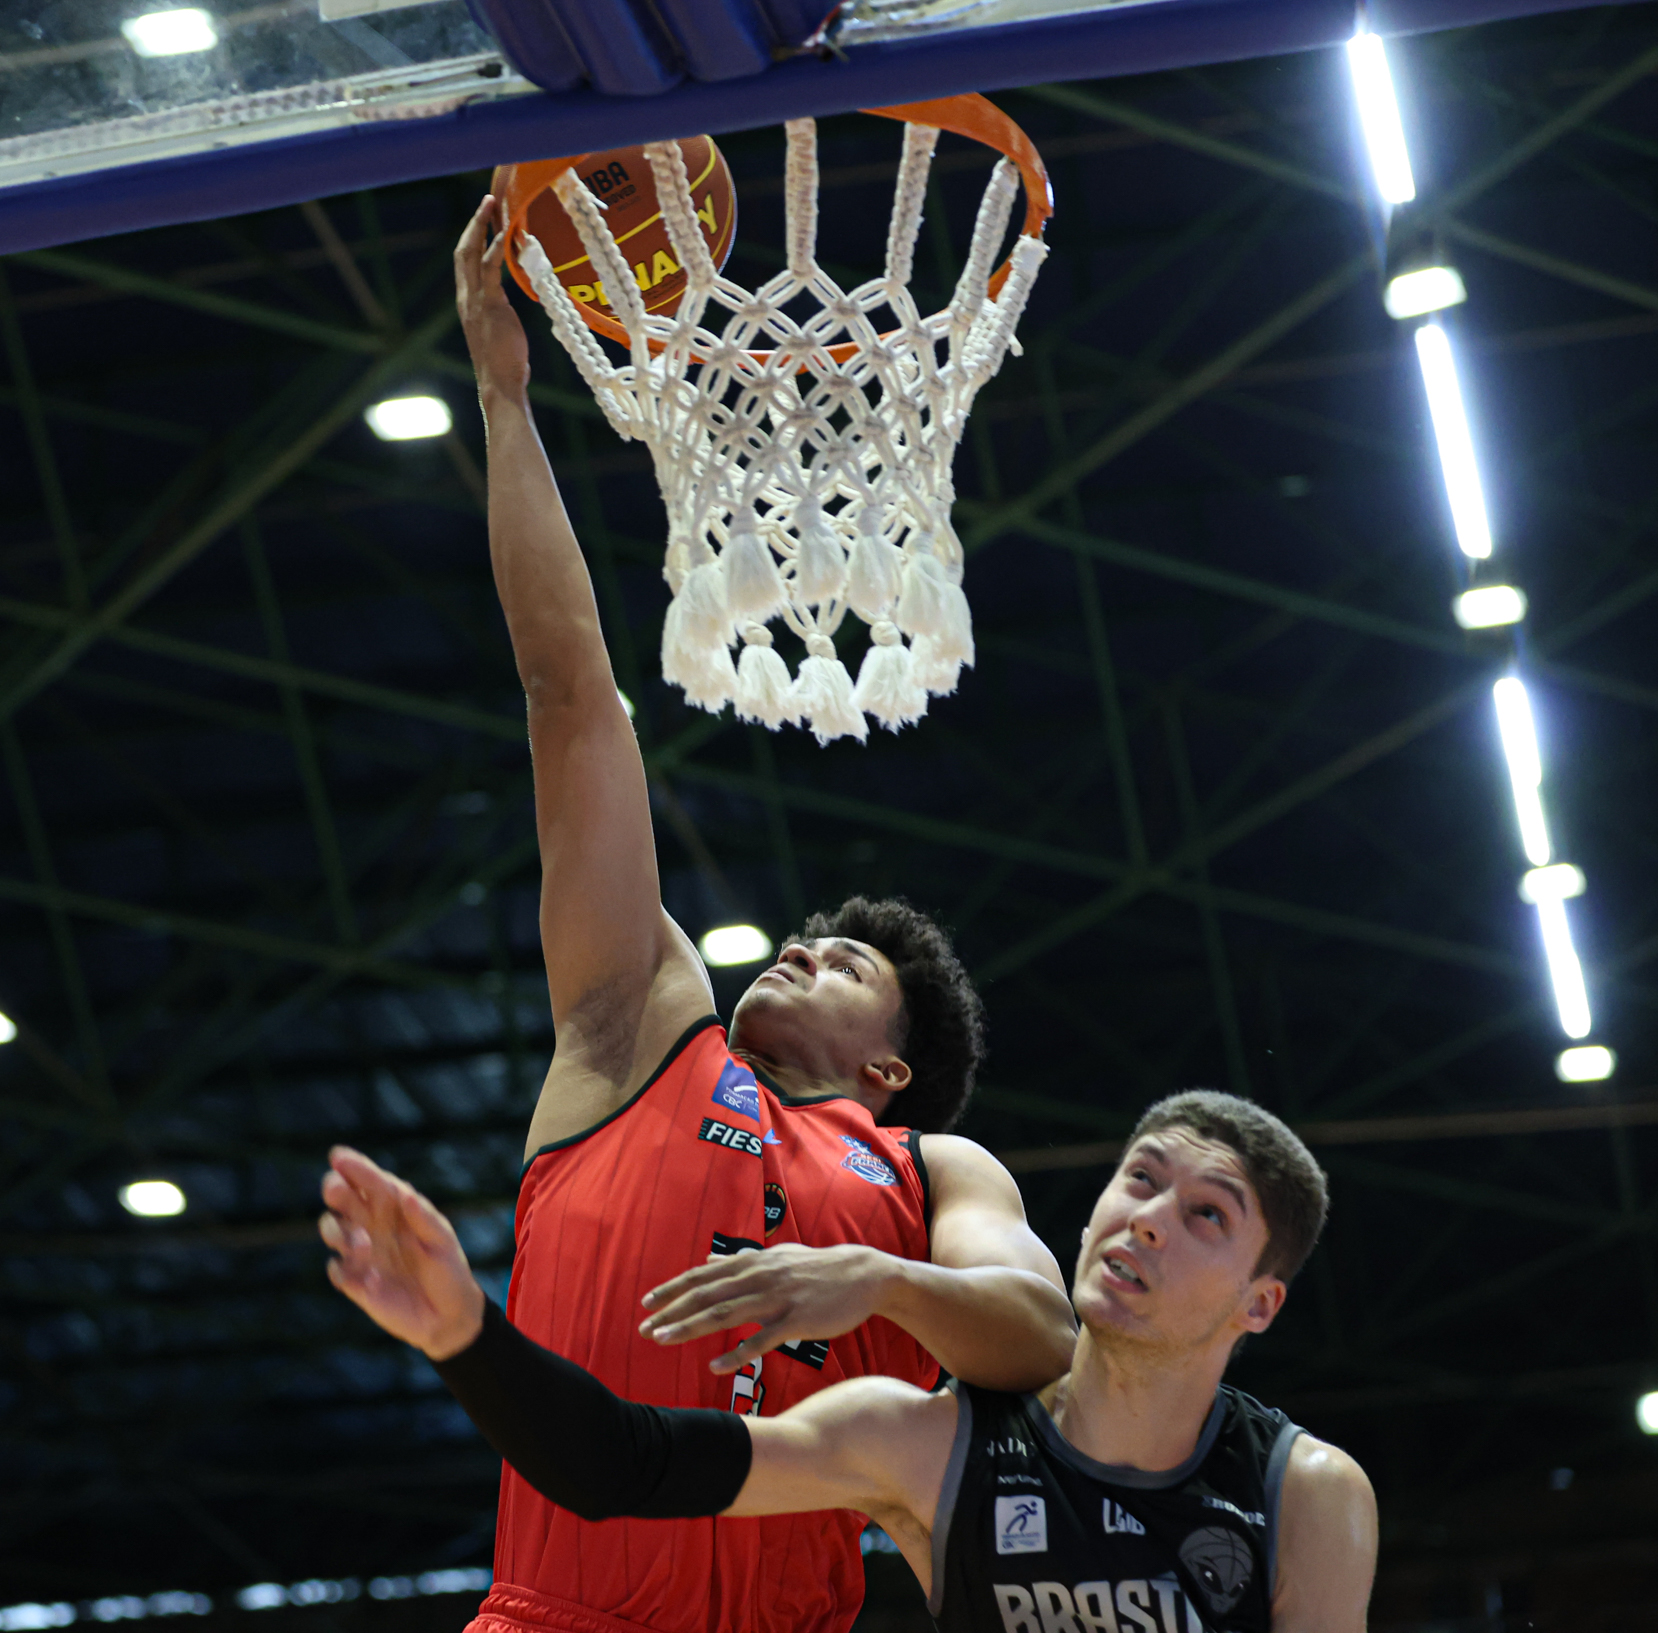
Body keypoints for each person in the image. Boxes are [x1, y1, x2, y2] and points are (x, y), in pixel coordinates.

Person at [447, 187, 1076, 1633]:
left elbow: (1039, 1335)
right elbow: (570, 698)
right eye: (804, 938)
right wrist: (503, 398)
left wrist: (868, 1277)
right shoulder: (637, 1029)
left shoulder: (934, 1175)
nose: (798, 947)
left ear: (890, 1065)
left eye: (843, 961)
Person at [319, 1090, 1378, 1633]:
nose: (1147, 1219)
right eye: (1139, 1180)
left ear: (1259, 1302)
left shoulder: (1303, 1488)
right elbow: (619, 1462)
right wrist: (463, 1330)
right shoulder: (923, 1442)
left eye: (1205, 1215)